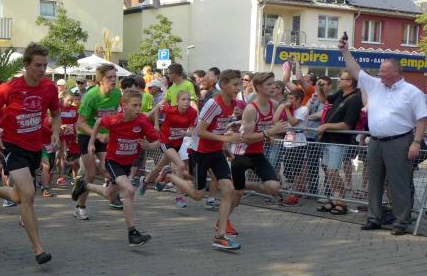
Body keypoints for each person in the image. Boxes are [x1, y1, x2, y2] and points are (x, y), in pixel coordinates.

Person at [0, 43, 60, 265]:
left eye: (45, 65)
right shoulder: (9, 88)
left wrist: (56, 133)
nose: (42, 70)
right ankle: (39, 249)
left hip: (34, 148)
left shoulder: (49, 88)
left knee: (18, 196)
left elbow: (56, 113)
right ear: (26, 65)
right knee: (28, 195)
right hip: (12, 147)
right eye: (38, 65)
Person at [340, 39, 427, 234]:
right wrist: (345, 51)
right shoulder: (375, 85)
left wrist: (416, 142)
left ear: (396, 72)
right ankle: (374, 219)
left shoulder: (412, 92)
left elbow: (422, 119)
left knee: (399, 183)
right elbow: (355, 70)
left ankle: (401, 222)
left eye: (383, 71)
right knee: (375, 182)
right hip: (376, 142)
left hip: (400, 142)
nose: (379, 74)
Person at [159, 70, 243, 251]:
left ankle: (220, 236)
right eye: (235, 84)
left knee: (228, 190)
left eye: (240, 84)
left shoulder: (233, 104)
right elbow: (200, 131)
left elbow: (219, 129)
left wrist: (225, 146)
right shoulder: (214, 103)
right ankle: (170, 176)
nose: (239, 88)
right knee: (198, 195)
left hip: (217, 152)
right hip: (200, 152)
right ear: (224, 84)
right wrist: (225, 139)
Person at [72, 89, 160, 245]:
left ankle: (84, 185)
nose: (138, 109)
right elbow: (98, 122)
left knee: (109, 194)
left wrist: (150, 145)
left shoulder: (142, 121)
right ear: (124, 105)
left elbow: (159, 141)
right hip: (113, 162)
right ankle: (132, 233)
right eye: (134, 105)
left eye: (139, 105)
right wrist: (91, 143)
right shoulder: (114, 120)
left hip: (127, 164)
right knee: (129, 190)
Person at [228, 72, 287, 230]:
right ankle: (223, 222)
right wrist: (269, 133)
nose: (273, 87)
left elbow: (265, 127)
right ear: (259, 87)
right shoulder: (251, 109)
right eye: (269, 84)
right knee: (237, 197)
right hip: (241, 155)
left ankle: (244, 185)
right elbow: (247, 138)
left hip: (257, 154)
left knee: (274, 187)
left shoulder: (273, 104)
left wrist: (269, 135)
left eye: (274, 83)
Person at [73, 64, 122, 219]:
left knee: (110, 169)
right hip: (86, 135)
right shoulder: (91, 96)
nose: (113, 80)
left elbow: (115, 115)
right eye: (109, 77)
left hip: (104, 136)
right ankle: (80, 207)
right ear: (101, 80)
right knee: (91, 174)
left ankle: (113, 197)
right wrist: (97, 136)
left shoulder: (117, 94)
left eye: (115, 77)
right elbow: (80, 123)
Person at [314, 67, 362, 216]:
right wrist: (319, 89)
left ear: (349, 82)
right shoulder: (341, 93)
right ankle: (335, 199)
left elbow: (347, 124)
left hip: (339, 140)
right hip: (328, 139)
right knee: (328, 171)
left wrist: (326, 125)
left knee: (333, 171)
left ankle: (341, 202)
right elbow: (325, 100)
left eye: (341, 78)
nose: (339, 80)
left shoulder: (355, 99)